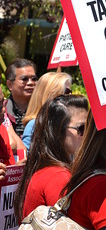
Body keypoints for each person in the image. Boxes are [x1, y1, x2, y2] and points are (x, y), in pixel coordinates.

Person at [14, 94, 89, 223]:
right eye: (81, 128)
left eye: (89, 127)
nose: (87, 133)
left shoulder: (49, 169)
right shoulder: (58, 176)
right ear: (58, 131)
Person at [22, 71, 72, 151]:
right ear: (50, 94)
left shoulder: (69, 123)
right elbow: (26, 159)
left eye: (70, 93)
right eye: (66, 92)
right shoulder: (34, 125)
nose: (70, 97)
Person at [5, 58, 37, 137]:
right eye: (24, 79)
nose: (30, 83)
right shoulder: (2, 111)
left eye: (34, 79)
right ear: (10, 85)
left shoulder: (43, 110)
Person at [0, 85, 15, 167]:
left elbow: (9, 165)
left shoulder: (2, 130)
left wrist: (17, 169)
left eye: (3, 103)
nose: (3, 110)